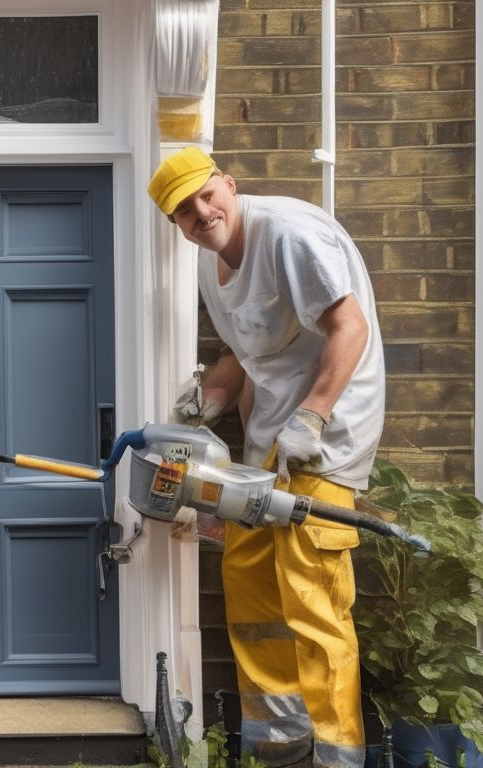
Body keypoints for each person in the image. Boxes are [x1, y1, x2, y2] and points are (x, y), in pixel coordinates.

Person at [147, 147, 385, 768]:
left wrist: (315, 415)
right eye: (185, 211)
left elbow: (350, 327)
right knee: (249, 580)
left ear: (228, 184)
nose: (202, 214)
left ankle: (337, 754)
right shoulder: (210, 263)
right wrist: (209, 399)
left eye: (206, 196)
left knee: (311, 592)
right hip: (268, 435)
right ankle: (278, 744)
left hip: (326, 433)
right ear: (176, 224)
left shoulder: (288, 234)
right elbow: (251, 354)